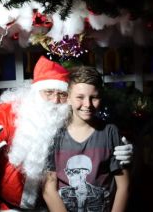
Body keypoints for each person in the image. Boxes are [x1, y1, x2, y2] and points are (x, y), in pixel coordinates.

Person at [0, 56, 133, 211]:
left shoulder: (67, 116)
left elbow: (94, 138)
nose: (55, 101)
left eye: (61, 94)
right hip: (1, 206)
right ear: (35, 92)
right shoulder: (13, 112)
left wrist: (124, 151)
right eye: (48, 92)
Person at [43, 65, 130, 212]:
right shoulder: (54, 135)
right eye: (80, 97)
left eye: (94, 97)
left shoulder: (109, 133)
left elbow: (123, 185)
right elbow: (48, 190)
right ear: (68, 98)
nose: (87, 104)